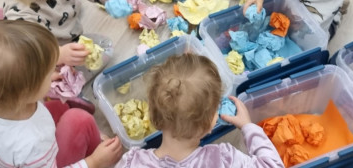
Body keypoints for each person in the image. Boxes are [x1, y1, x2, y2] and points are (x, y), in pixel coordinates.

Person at [0, 19, 122, 168]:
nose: (54, 71)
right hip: (40, 160)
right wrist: (93, 162)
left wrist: (43, 80)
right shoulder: (33, 143)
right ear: (27, 92)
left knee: (59, 107)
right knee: (80, 120)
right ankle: (96, 152)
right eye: (48, 74)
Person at [115, 53, 284, 167]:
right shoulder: (223, 159)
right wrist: (248, 127)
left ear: (152, 113)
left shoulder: (131, 162)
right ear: (210, 123)